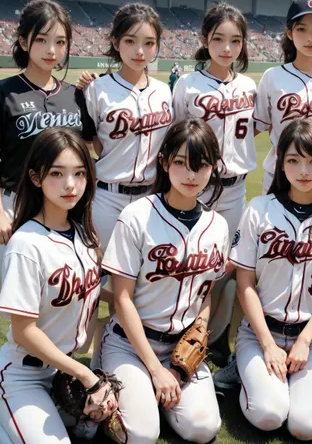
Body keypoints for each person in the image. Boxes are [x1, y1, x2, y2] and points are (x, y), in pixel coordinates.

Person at [0, 0, 95, 401]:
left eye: (61, 41)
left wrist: (94, 91)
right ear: (23, 41)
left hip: (59, 209)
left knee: (53, 291)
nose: (52, 50)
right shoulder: (4, 91)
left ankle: (46, 370)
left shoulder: (74, 96)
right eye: (43, 40)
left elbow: (92, 146)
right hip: (13, 202)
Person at [99, 119, 228, 443]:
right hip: (130, 343)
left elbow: (207, 295)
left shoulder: (218, 226)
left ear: (212, 168)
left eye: (200, 166)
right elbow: (122, 298)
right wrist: (155, 370)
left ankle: (151, 398)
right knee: (141, 436)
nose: (190, 175)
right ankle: (119, 383)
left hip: (180, 349)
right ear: (165, 161)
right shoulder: (137, 216)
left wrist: (179, 366)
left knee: (203, 429)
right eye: (181, 163)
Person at [0, 128, 116, 444]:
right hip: (21, 374)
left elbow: (90, 290)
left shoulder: (85, 235)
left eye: (79, 173)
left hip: (64, 372)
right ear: (35, 177)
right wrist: (87, 376)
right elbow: (23, 331)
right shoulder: (26, 244)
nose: (70, 184)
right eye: (57, 173)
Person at [228, 119, 312, 440]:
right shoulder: (259, 209)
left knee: (304, 426)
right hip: (261, 335)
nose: (304, 170)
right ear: (280, 161)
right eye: (294, 160)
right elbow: (244, 284)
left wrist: (304, 340)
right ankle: (253, 377)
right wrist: (268, 345)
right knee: (269, 415)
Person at [172, 2, 256, 366]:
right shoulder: (188, 85)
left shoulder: (251, 85)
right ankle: (178, 331)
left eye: (235, 41)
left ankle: (215, 339)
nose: (226, 48)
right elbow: (175, 134)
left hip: (235, 187)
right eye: (218, 39)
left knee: (227, 269)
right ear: (205, 40)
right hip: (197, 186)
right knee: (190, 263)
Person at [81, 2, 172, 252]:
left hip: (151, 197)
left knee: (146, 275)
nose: (139, 51)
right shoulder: (97, 89)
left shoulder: (164, 92)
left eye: (149, 43)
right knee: (100, 273)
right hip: (107, 198)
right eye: (130, 41)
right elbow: (91, 143)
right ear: (115, 41)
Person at [253, 0, 312, 195]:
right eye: (302, 29)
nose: (310, 38)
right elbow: (256, 127)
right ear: (289, 32)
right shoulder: (273, 77)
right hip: (278, 177)